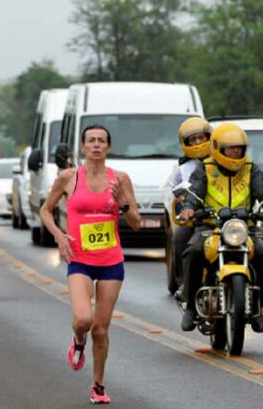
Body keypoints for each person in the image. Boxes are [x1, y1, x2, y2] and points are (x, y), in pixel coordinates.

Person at [40, 124, 141, 404]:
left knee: (101, 328)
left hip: (111, 262)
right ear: (82, 147)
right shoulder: (68, 178)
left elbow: (136, 224)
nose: (96, 145)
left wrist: (123, 204)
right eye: (91, 141)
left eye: (101, 141)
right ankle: (78, 341)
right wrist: (59, 235)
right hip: (79, 260)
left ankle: (98, 385)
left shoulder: (120, 179)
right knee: (83, 320)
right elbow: (46, 210)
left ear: (108, 147)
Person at [178, 123, 263, 333]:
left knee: (262, 252)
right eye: (231, 148)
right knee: (194, 251)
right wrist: (189, 208)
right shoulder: (205, 168)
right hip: (210, 227)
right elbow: (195, 193)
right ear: (218, 148)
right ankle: (190, 306)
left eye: (239, 148)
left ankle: (259, 306)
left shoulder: (251, 168)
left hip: (245, 228)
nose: (236, 152)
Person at [162, 117, 212, 297]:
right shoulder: (182, 169)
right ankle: (184, 283)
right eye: (194, 139)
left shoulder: (224, 162)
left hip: (225, 218)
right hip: (195, 220)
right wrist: (180, 207)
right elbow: (169, 191)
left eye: (202, 138)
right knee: (180, 237)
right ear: (186, 143)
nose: (198, 143)